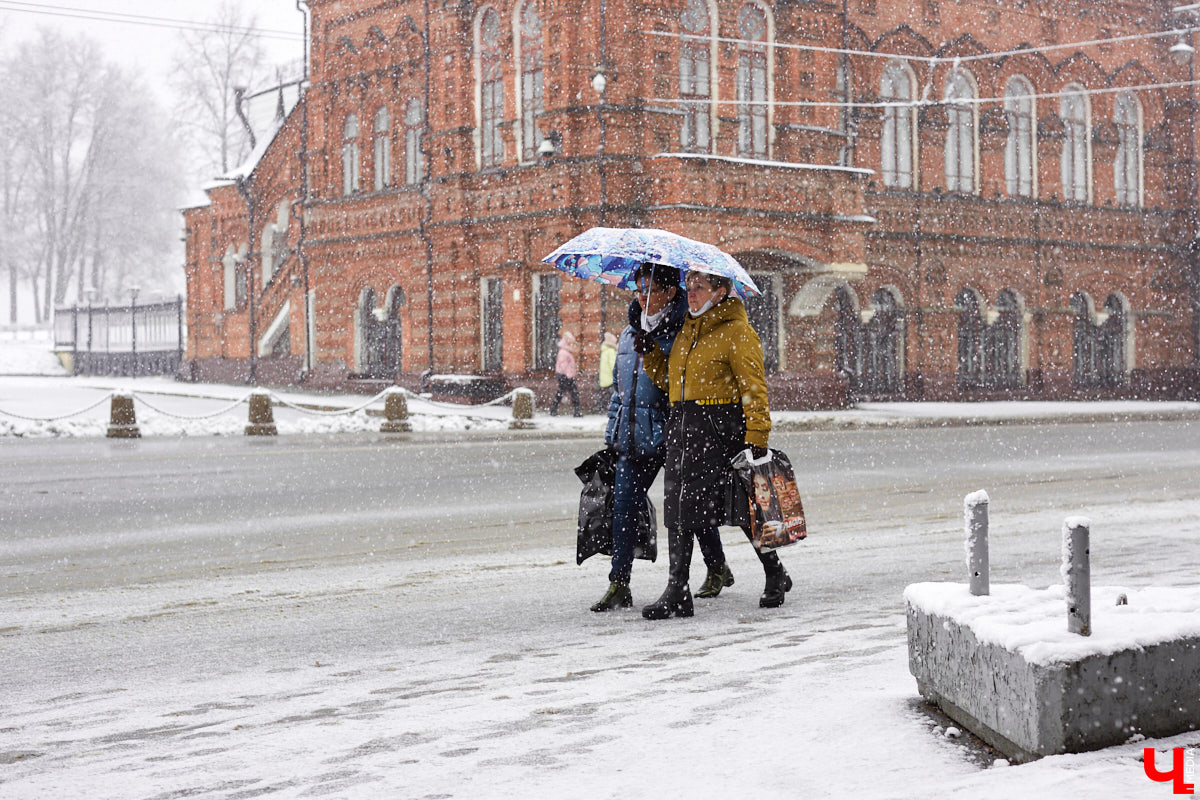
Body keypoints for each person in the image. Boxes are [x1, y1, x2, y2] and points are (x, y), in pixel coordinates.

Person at [640, 270, 792, 618]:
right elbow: (670, 382)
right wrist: (651, 354)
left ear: (720, 292)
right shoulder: (687, 332)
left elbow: (754, 387)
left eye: (700, 288)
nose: (691, 294)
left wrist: (757, 436)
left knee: (742, 510)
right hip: (683, 429)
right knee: (679, 509)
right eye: (689, 288)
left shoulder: (737, 332)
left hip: (719, 430)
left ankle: (774, 571)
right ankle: (677, 589)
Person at [591, 263, 727, 612]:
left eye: (650, 289)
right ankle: (619, 583)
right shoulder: (627, 334)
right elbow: (620, 393)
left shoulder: (684, 332)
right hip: (633, 438)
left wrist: (654, 351)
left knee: (686, 512)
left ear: (670, 292)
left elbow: (681, 385)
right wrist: (613, 432)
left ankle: (716, 566)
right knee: (623, 507)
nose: (642, 296)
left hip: (673, 436)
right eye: (639, 288)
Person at [550, 330, 581, 417]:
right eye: (571, 342)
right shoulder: (563, 352)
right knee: (572, 393)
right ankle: (576, 412)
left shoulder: (565, 351)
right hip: (565, 376)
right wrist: (569, 375)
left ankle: (554, 409)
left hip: (565, 375)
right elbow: (564, 365)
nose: (572, 345)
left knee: (562, 392)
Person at [597, 331, 617, 413]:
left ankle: (601, 407)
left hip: (604, 377)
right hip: (610, 377)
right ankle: (607, 409)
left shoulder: (604, 350)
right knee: (612, 395)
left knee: (606, 394)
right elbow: (613, 365)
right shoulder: (611, 351)